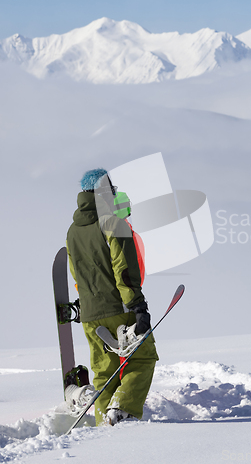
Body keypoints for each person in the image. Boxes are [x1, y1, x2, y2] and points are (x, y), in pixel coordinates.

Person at [66, 168, 158, 426]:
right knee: (142, 358)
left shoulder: (72, 230)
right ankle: (122, 410)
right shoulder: (113, 222)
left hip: (90, 314)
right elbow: (124, 268)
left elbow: (76, 272)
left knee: (105, 372)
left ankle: (102, 432)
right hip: (120, 308)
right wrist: (137, 305)